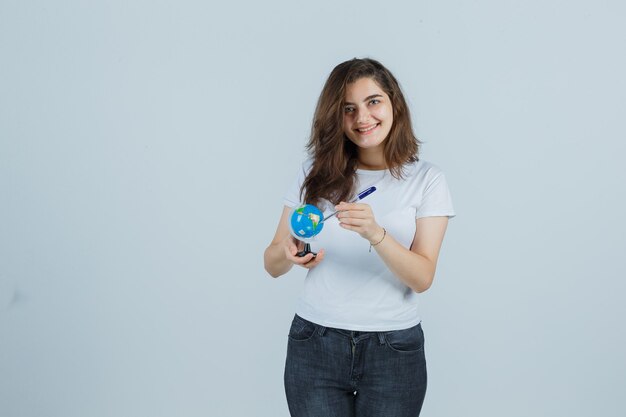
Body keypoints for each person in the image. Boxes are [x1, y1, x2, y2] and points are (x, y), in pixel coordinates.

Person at [263, 57, 455, 417]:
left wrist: (376, 234)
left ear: (394, 102)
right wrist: (287, 253)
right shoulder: (314, 173)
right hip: (315, 342)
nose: (362, 118)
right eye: (348, 109)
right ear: (336, 117)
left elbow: (422, 277)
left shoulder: (428, 179)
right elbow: (272, 263)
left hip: (393, 349)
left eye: (373, 102)